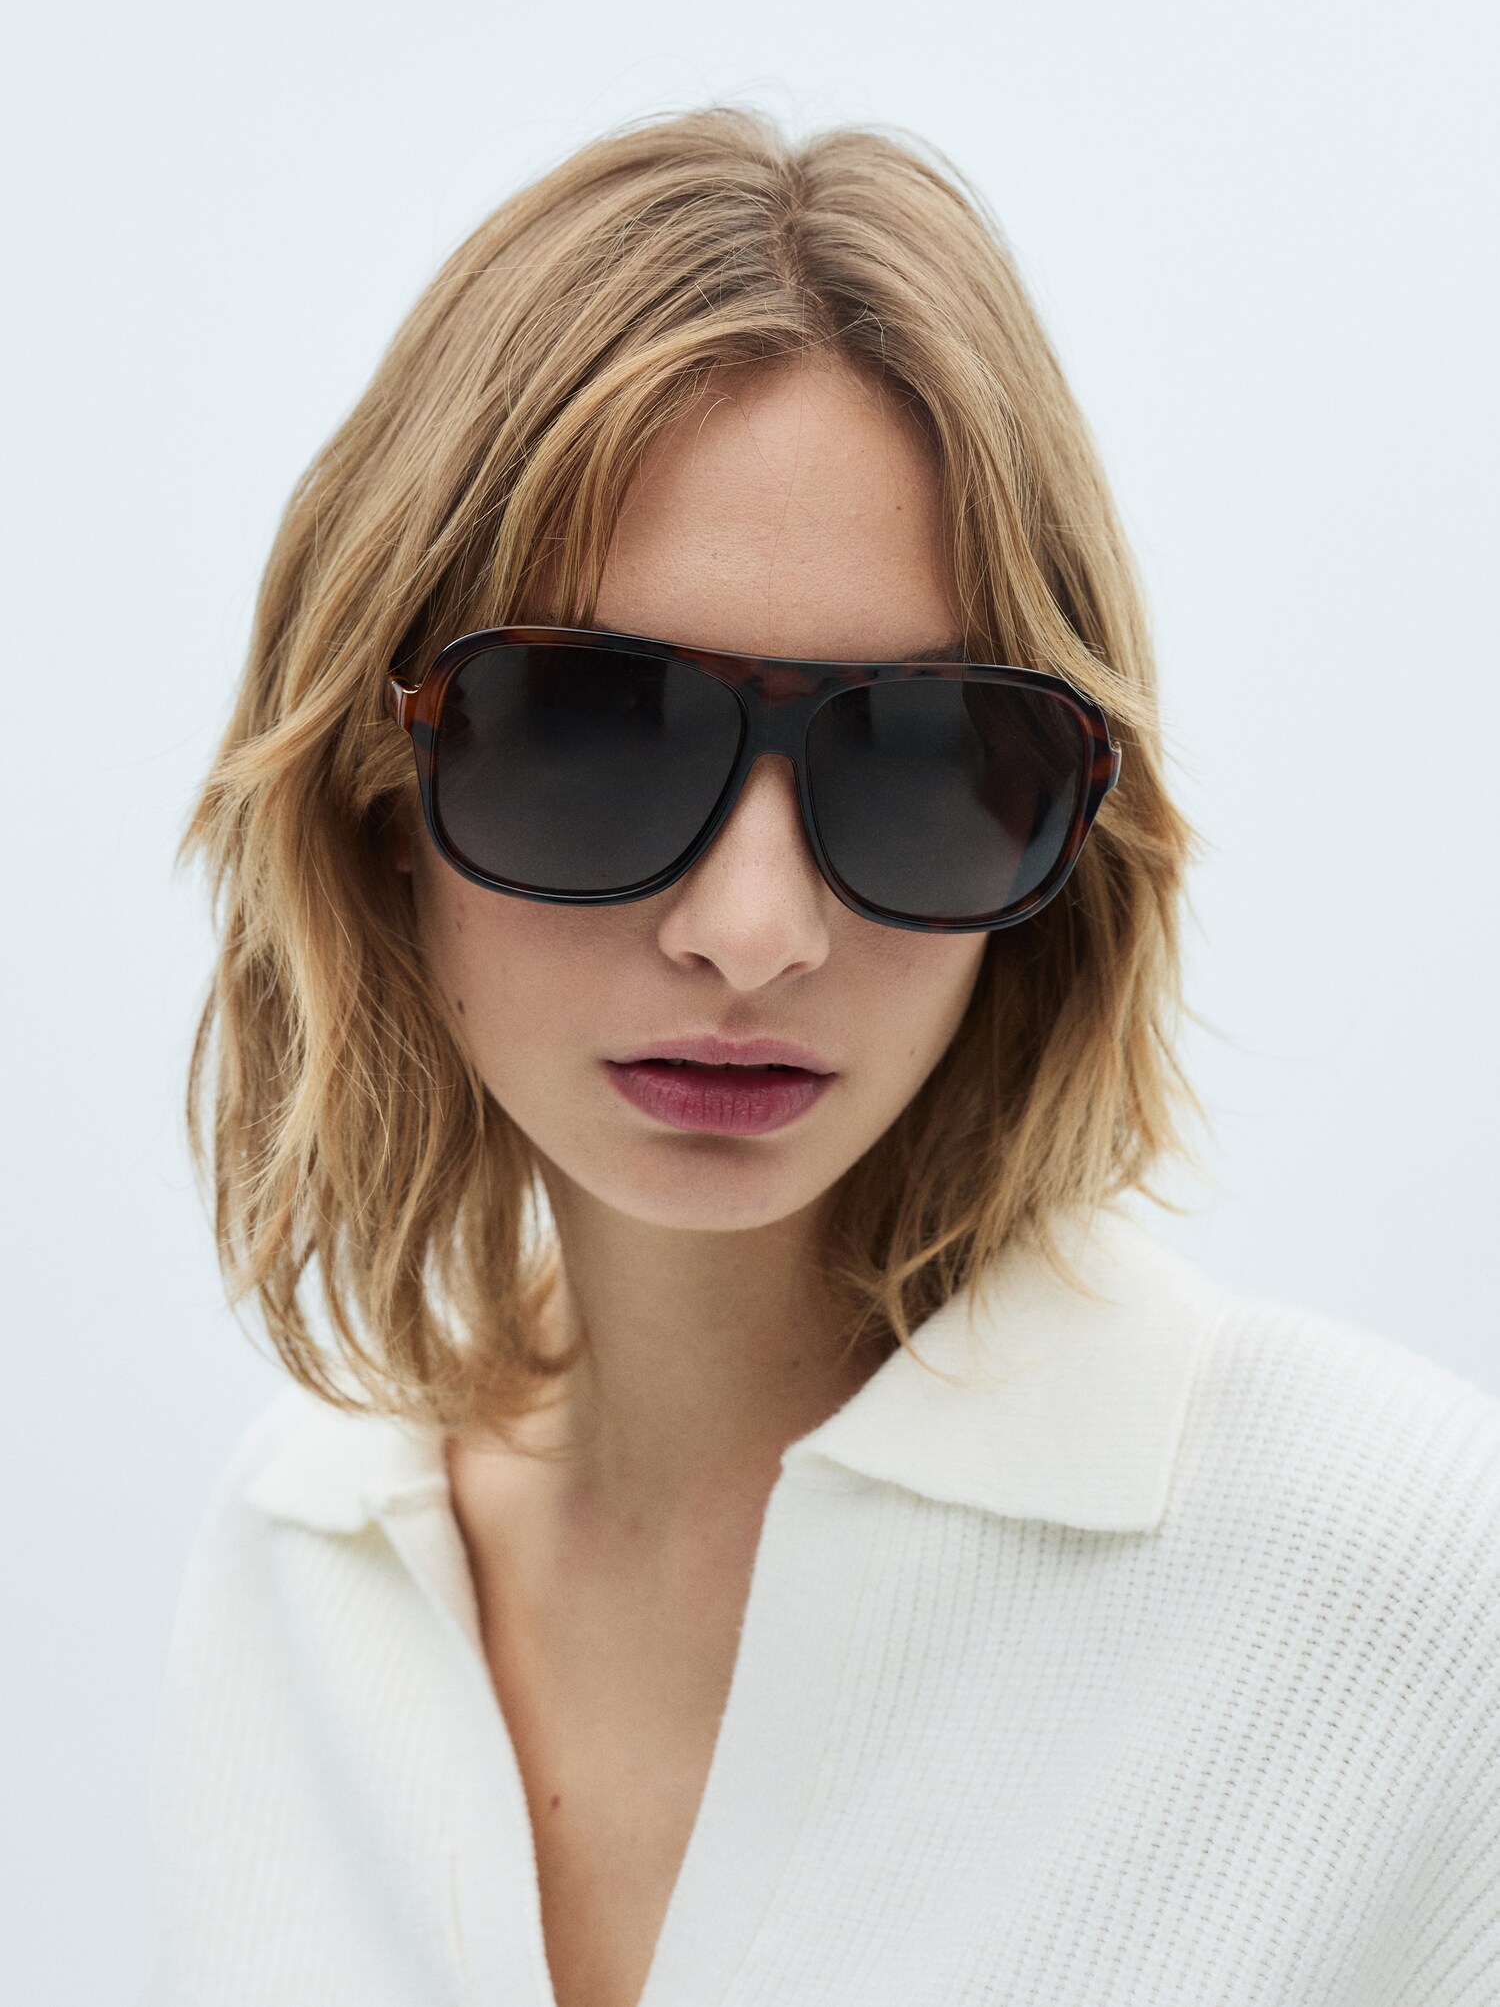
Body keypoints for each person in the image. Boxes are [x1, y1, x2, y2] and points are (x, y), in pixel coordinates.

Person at [142, 106, 1500, 2007]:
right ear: (378, 802)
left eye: (921, 757)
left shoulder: (1415, 1595)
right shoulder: (306, 1568)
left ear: (1057, 835)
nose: (755, 926)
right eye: (594, 730)